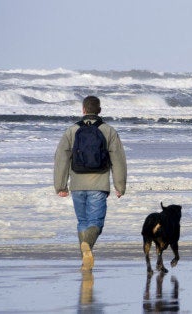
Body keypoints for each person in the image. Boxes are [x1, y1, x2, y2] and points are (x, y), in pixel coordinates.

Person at [54, 96, 127, 271]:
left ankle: (85, 259)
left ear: (83, 110)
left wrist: (60, 186)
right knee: (96, 222)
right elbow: (118, 160)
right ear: (99, 111)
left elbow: (61, 159)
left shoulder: (71, 131)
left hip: (77, 185)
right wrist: (120, 186)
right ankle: (87, 246)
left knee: (82, 222)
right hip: (99, 184)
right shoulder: (109, 131)